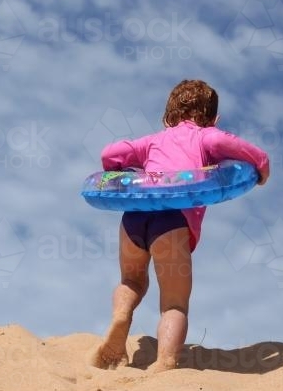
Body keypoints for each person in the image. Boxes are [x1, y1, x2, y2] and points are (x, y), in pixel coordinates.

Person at [90, 79, 270, 372]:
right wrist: (262, 167)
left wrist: (128, 172)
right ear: (213, 118)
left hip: (134, 215)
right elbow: (234, 146)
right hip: (172, 220)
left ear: (167, 116)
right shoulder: (206, 137)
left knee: (131, 281)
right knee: (174, 303)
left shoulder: (150, 142)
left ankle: (121, 316)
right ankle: (165, 362)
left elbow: (109, 154)